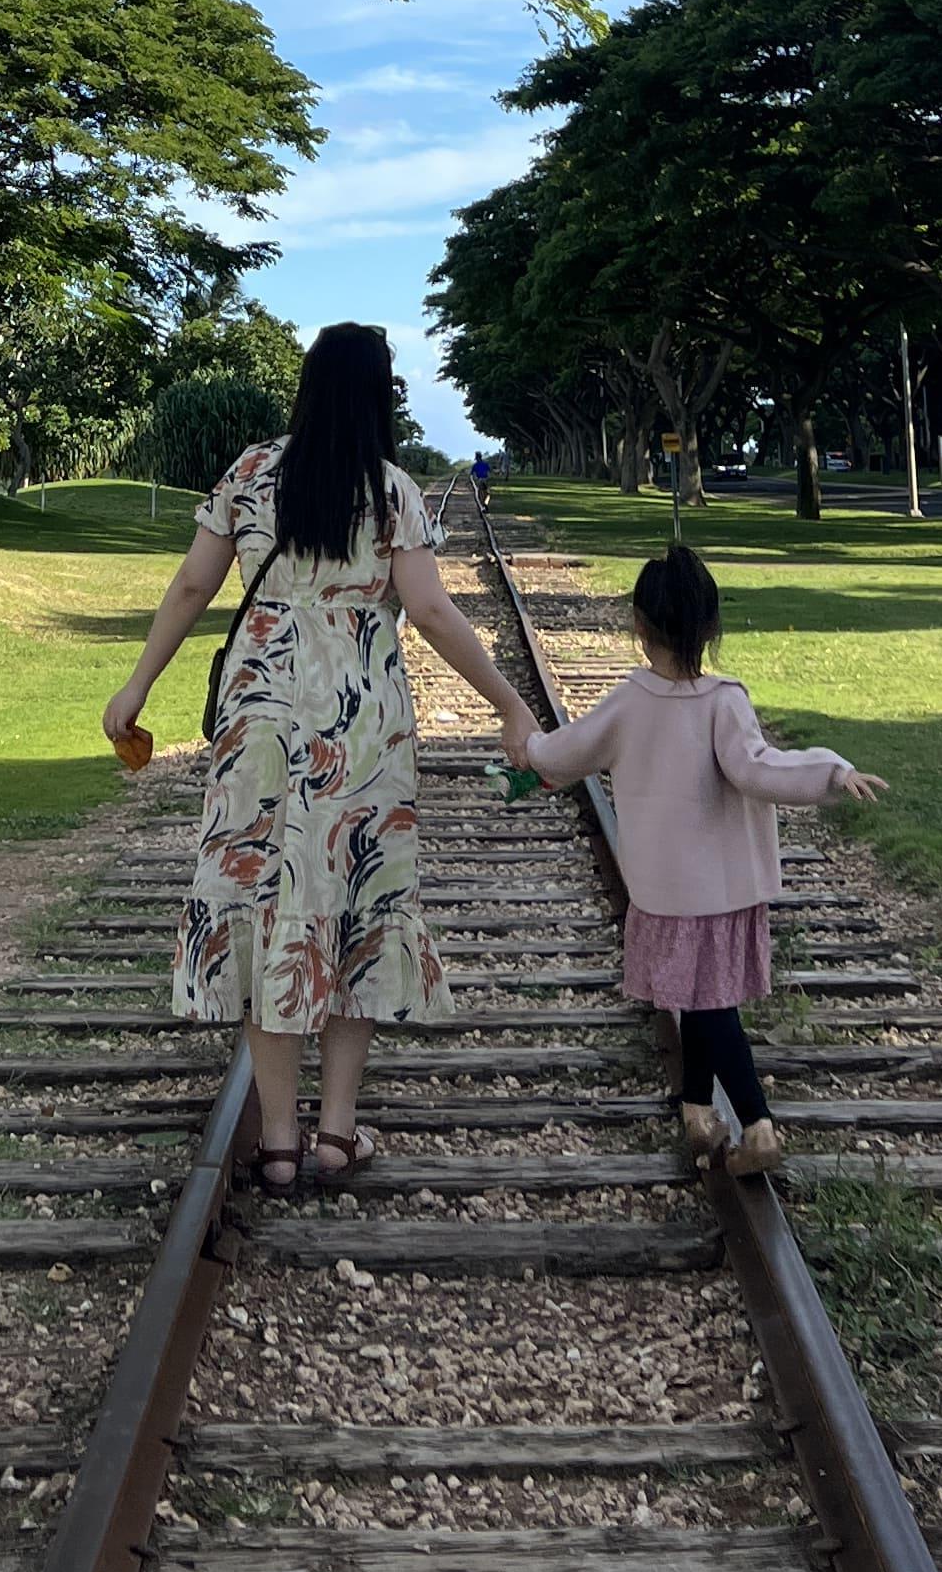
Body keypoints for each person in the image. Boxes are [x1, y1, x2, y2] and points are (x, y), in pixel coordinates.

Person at [103, 324, 537, 1192]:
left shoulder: (252, 472)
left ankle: (275, 1142)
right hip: (361, 724)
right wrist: (509, 704)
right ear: (380, 395)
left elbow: (193, 585)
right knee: (356, 905)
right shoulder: (392, 491)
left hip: (257, 718)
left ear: (304, 388)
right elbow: (434, 611)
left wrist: (138, 687)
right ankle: (335, 1133)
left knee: (269, 905)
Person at [522, 541, 886, 1169]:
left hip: (667, 893)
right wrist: (831, 771)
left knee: (707, 1004)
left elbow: (564, 755)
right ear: (712, 628)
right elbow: (761, 770)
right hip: (726, 889)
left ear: (638, 625)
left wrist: (525, 746)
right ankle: (696, 1111)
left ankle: (758, 1125)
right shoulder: (726, 702)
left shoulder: (629, 703)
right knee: (699, 997)